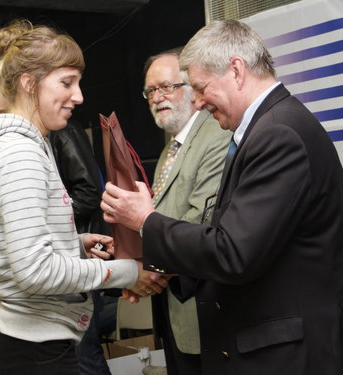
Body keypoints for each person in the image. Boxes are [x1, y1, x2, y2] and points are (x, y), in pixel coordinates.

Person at [101, 19, 343, 375]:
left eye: (200, 87)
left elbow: (234, 252)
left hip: (300, 352)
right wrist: (154, 267)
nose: (196, 103)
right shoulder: (265, 128)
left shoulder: (278, 134)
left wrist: (145, 221)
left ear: (237, 70)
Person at [0, 19, 166, 375]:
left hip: (33, 341)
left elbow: (23, 249)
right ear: (29, 82)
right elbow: (35, 271)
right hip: (35, 351)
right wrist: (128, 271)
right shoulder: (20, 154)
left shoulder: (29, 146)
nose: (79, 96)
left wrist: (74, 243)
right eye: (66, 82)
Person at [0, 78, 112, 375]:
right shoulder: (14, 150)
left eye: (0, 113)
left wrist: (52, 226)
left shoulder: (56, 135)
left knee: (86, 357)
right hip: (35, 317)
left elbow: (89, 191)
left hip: (67, 279)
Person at [141, 48, 230, 374]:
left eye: (166, 86)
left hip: (204, 307)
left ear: (193, 89)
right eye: (150, 90)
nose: (156, 97)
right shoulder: (170, 148)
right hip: (173, 303)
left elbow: (200, 221)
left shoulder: (217, 136)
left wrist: (148, 267)